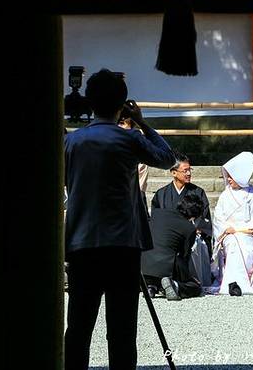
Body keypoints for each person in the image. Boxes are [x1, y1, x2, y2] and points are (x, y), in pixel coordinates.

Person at [64, 69, 175, 370]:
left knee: (78, 328)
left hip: (83, 242)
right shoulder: (129, 139)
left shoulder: (72, 142)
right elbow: (167, 158)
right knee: (122, 331)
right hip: (122, 244)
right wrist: (141, 122)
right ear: (123, 104)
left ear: (89, 102)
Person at [212, 151, 253, 295]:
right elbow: (218, 218)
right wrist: (226, 230)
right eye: (228, 176)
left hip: (249, 234)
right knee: (233, 244)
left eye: (232, 176)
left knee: (245, 246)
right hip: (229, 233)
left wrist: (250, 230)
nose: (229, 179)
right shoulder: (225, 195)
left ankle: (244, 283)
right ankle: (231, 283)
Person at [151, 151, 212, 286]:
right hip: (169, 239)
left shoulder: (198, 192)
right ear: (174, 172)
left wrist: (195, 229)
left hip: (190, 236)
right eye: (185, 171)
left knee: (195, 245)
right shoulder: (161, 194)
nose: (189, 173)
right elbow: (156, 220)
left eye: (190, 170)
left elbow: (204, 218)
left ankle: (189, 280)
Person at [141, 195, 205, 301]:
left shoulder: (158, 213)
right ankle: (175, 285)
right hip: (165, 269)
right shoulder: (189, 228)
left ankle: (151, 287)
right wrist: (189, 278)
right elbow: (184, 256)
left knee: (155, 272)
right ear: (194, 216)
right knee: (196, 288)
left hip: (142, 266)